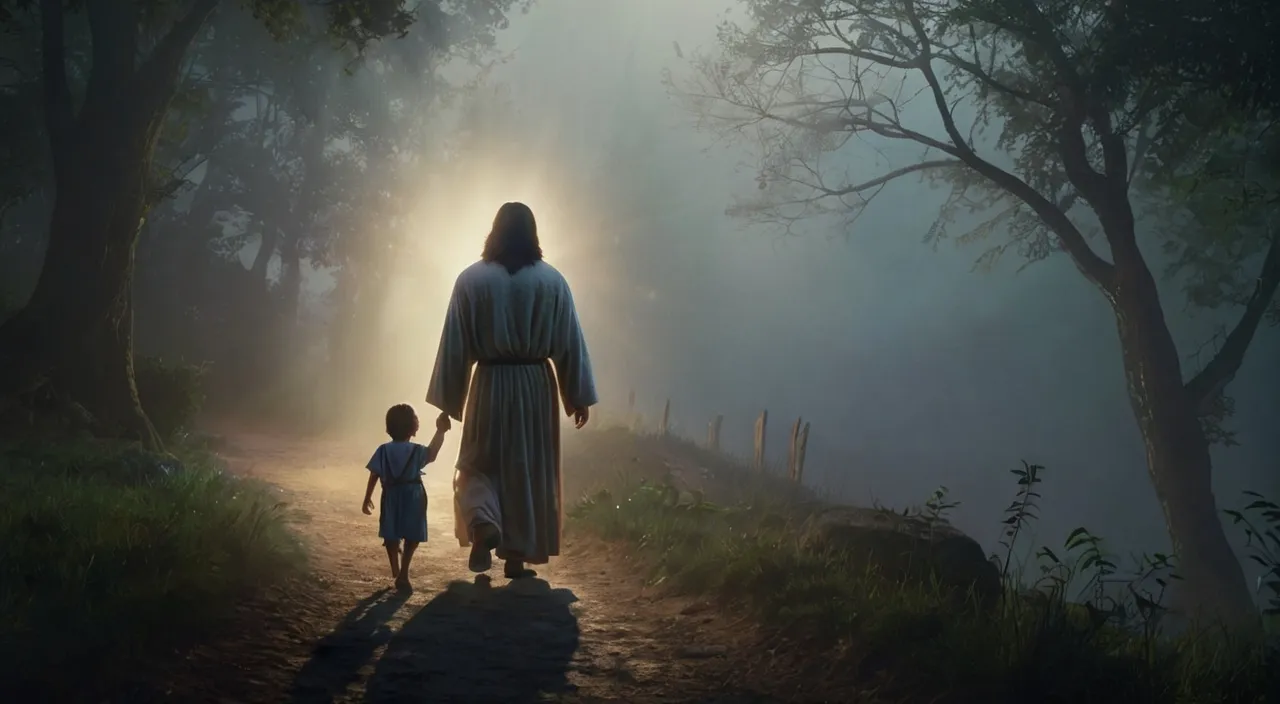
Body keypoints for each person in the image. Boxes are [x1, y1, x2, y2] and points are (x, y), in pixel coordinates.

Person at [426, 201, 597, 580]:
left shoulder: (471, 280)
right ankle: (516, 557)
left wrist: (449, 401)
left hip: (488, 382)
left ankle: (483, 523)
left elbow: (455, 344)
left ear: (495, 231)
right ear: (533, 234)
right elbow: (569, 341)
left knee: (477, 465)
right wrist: (577, 395)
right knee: (526, 470)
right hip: (535, 386)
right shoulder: (552, 281)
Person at [361, 404, 451, 591]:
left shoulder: (383, 450)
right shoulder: (417, 450)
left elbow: (374, 474)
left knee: (390, 531)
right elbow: (432, 453)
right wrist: (440, 431)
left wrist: (367, 497)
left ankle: (395, 565)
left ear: (388, 428)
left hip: (391, 495)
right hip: (414, 495)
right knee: (412, 534)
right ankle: (404, 573)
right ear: (413, 428)